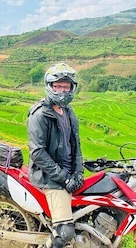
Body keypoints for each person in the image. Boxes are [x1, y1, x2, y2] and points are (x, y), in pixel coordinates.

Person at [27, 63, 84, 248]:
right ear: (50, 86)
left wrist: (78, 172)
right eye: (57, 86)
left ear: (72, 88)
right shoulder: (40, 114)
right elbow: (37, 153)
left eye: (65, 86)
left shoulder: (69, 112)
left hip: (67, 174)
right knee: (65, 232)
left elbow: (75, 144)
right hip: (49, 177)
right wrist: (64, 178)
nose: (61, 91)